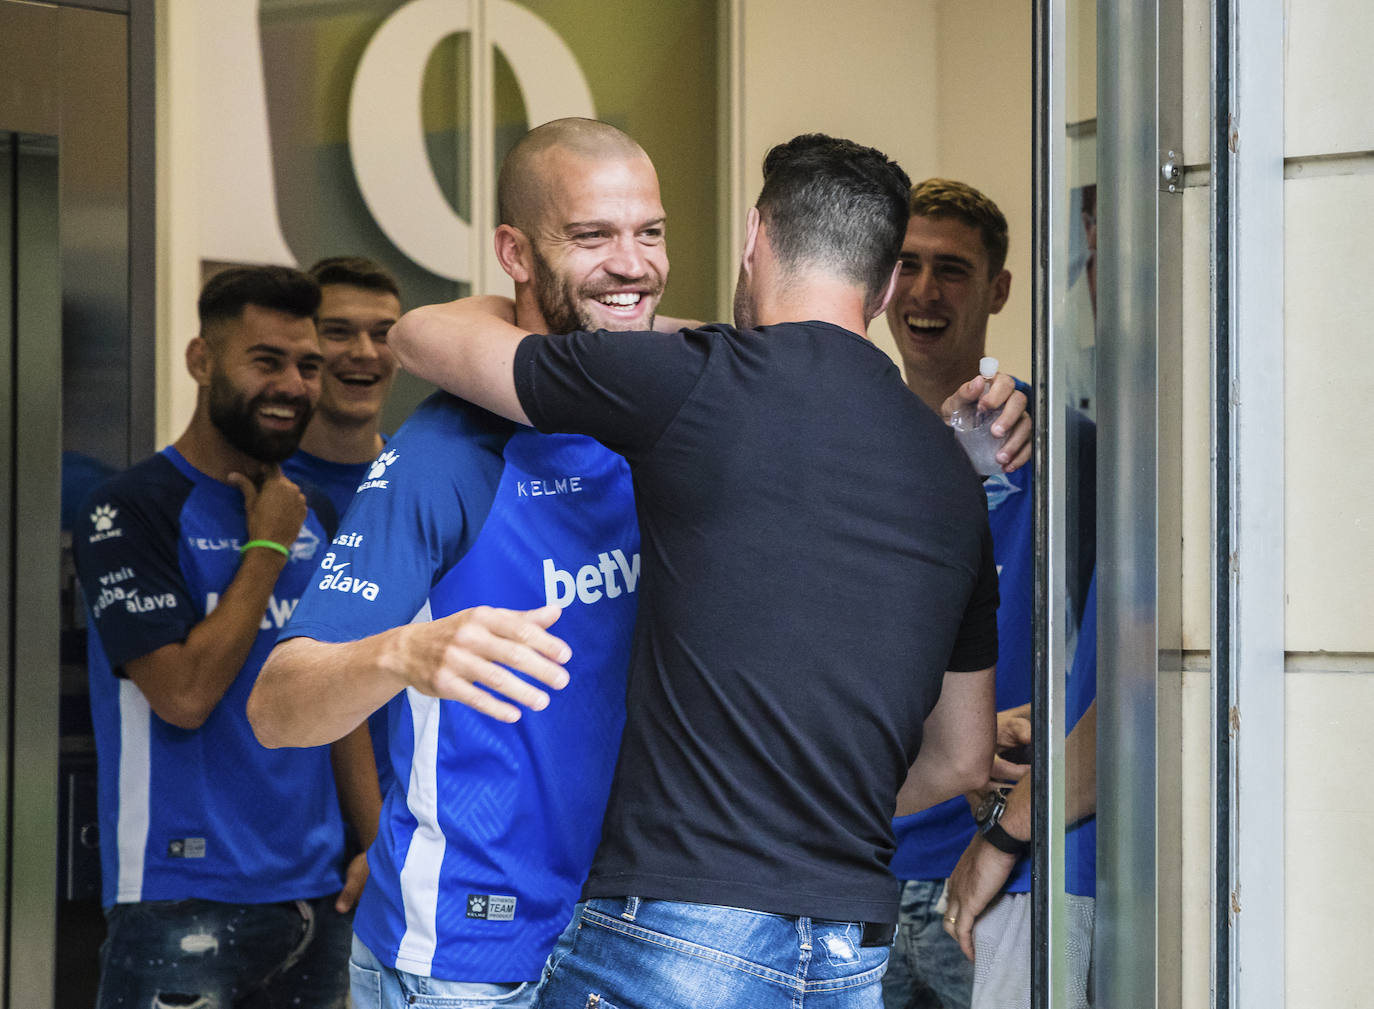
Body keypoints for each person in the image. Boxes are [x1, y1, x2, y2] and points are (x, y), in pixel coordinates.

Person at [386, 133, 1001, 1009]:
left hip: (675, 930)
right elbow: (962, 754)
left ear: (753, 238)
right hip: (849, 953)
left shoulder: (693, 383)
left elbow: (421, 337)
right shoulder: (950, 472)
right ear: (890, 283)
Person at [247, 118, 675, 1009]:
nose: (632, 264)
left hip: (644, 939)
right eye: (592, 236)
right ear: (514, 253)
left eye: (650, 232)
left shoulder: (671, 414)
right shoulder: (448, 451)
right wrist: (405, 654)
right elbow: (278, 705)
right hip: (468, 956)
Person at [73, 265, 376, 1009]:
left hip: (320, 900)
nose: (293, 385)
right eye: (265, 361)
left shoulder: (315, 516)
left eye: (308, 365)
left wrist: (374, 845)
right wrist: (266, 551)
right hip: (180, 901)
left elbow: (336, 694)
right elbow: (182, 693)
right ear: (201, 360)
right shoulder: (128, 508)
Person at [282, 254, 402, 796]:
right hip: (297, 823)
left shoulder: (423, 480)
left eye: (384, 334)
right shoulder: (264, 492)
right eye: (338, 333)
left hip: (411, 811)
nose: (364, 353)